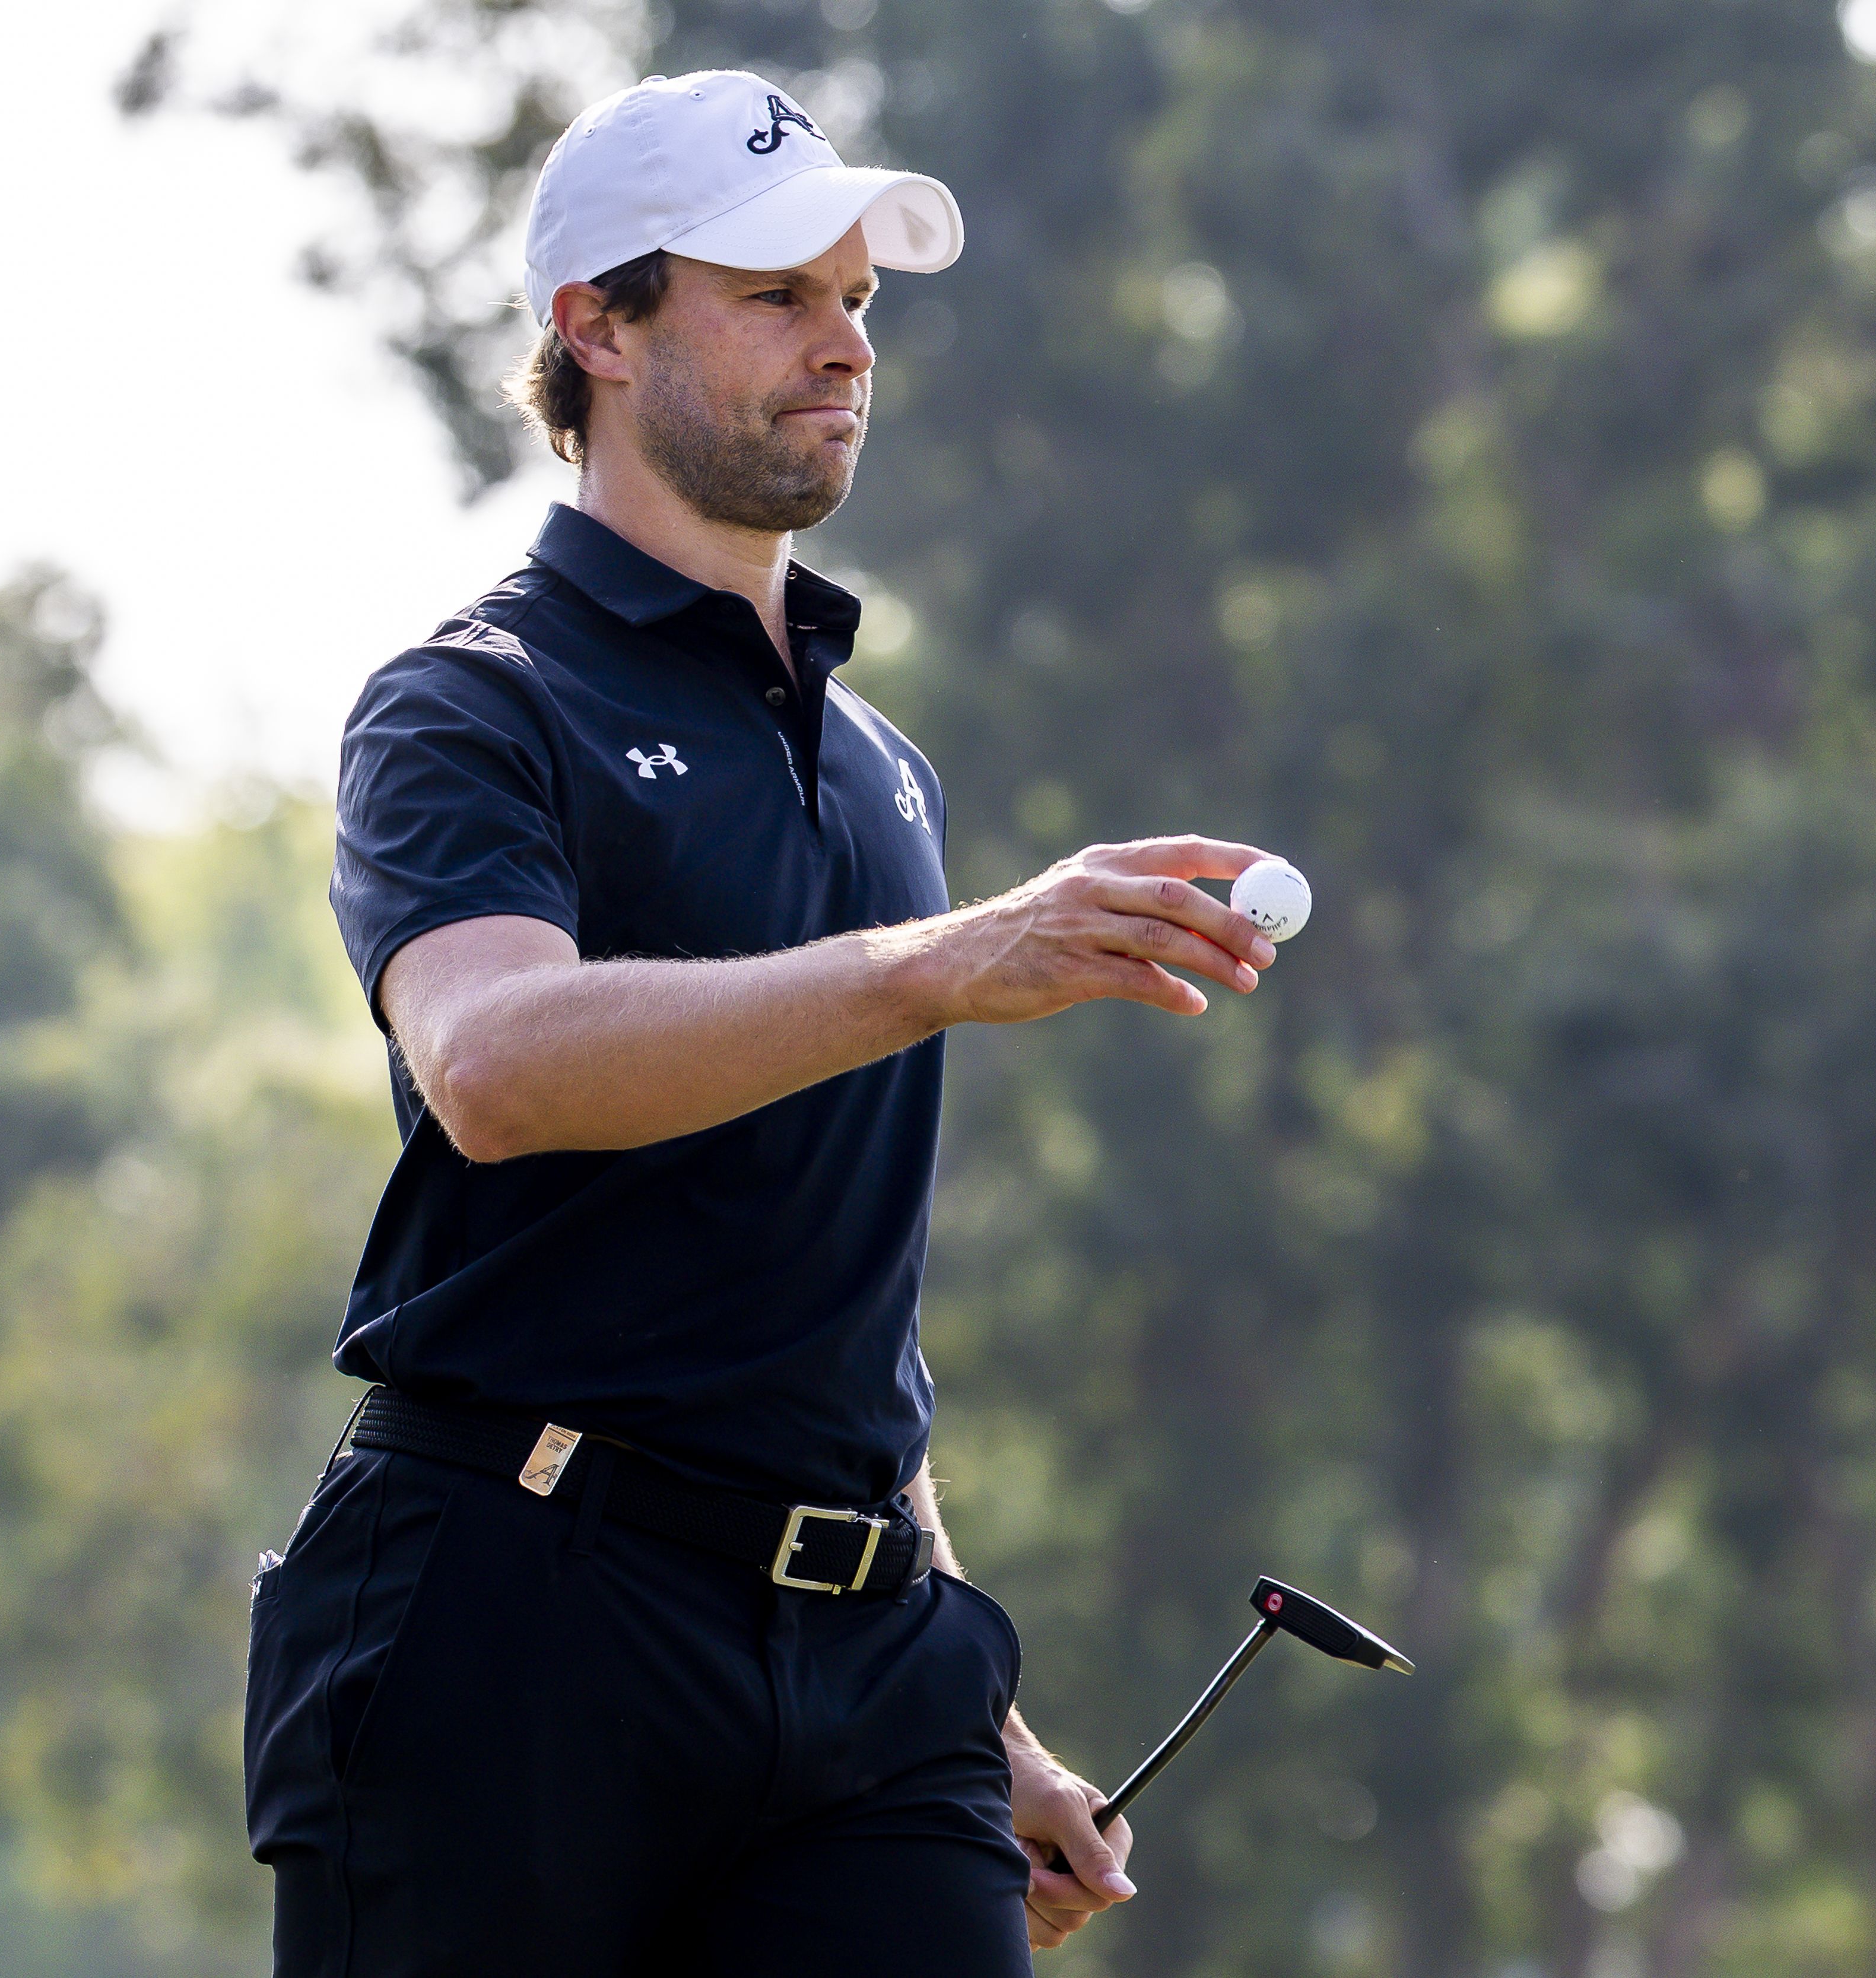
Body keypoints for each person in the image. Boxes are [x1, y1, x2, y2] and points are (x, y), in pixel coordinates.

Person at [245, 69, 1282, 1976]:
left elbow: (818, 1305)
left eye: (857, 301)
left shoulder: (887, 769)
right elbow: (491, 1069)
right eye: (774, 297)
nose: (843, 348)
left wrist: (992, 1729)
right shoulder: (469, 707)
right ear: (599, 330)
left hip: (872, 1672)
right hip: (510, 1620)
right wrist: (952, 964)